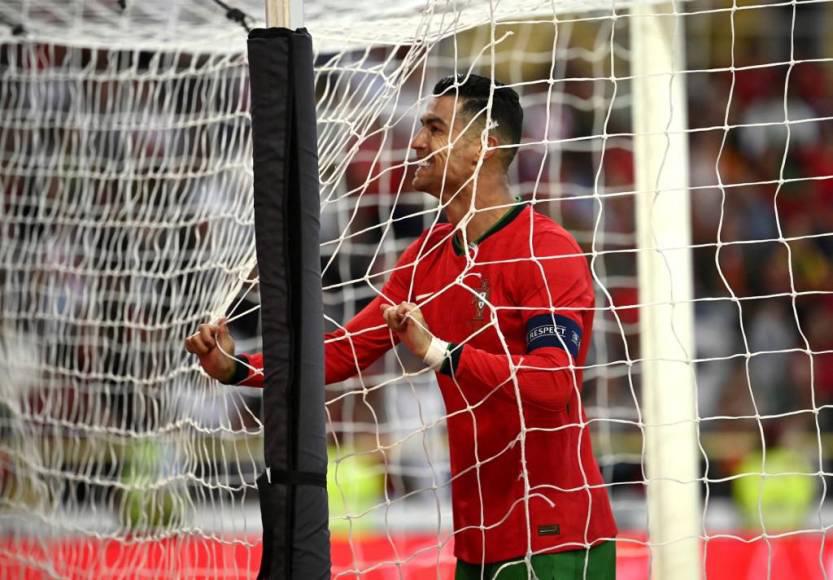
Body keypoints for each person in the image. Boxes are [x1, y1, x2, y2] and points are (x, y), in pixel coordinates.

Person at [186, 74, 617, 579]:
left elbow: (552, 382)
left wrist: (439, 352)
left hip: (556, 542)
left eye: (434, 128)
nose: (415, 142)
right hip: (478, 544)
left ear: (484, 147)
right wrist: (239, 369)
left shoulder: (546, 250)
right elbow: (342, 352)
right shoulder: (426, 255)